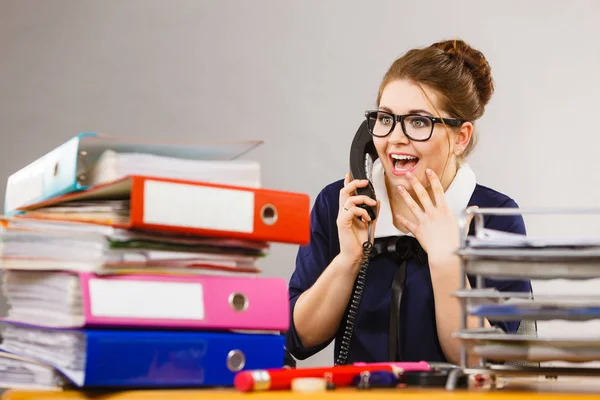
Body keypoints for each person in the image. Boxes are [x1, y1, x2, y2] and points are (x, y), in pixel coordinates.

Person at [285, 39, 532, 366]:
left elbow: (485, 360)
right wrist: (348, 259)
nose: (395, 138)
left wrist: (446, 260)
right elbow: (299, 339)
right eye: (385, 119)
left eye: (419, 122)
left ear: (461, 137)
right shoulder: (342, 204)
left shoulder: (494, 217)